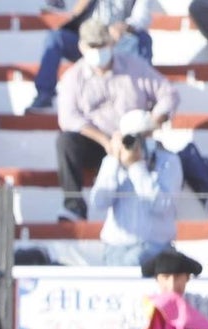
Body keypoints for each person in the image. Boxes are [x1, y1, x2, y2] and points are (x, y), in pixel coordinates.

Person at [55, 18, 179, 222]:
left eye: (102, 45)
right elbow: (68, 117)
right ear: (82, 47)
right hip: (98, 143)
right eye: (92, 46)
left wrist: (153, 122)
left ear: (111, 43)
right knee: (65, 142)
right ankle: (74, 206)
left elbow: (168, 93)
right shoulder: (73, 77)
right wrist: (106, 141)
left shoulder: (134, 66)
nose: (98, 51)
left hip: (135, 142)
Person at [88, 109, 183, 266]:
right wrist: (114, 160)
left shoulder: (169, 161)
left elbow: (162, 205)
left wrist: (137, 167)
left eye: (144, 136)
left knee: (133, 260)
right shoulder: (111, 163)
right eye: (132, 138)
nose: (138, 143)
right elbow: (99, 203)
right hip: (115, 249)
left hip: (155, 248)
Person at [26, 0, 154, 114]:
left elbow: (141, 17)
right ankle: (44, 95)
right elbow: (62, 8)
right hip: (87, 40)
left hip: (118, 41)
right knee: (55, 38)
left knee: (142, 40)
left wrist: (124, 26)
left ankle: (144, 97)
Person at [136, 249, 208, 329]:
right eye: (165, 277)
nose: (172, 285)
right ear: (157, 278)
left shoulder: (204, 307)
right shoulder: (145, 307)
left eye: (177, 277)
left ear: (187, 277)